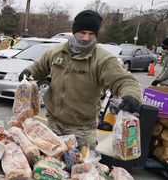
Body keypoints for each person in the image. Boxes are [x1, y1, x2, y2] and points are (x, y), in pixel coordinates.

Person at [18, 10, 142, 149]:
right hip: (52, 124)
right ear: (74, 31)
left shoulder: (103, 59)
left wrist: (132, 95)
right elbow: (40, 67)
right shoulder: (56, 52)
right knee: (48, 166)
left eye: (91, 34)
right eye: (82, 32)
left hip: (82, 130)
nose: (86, 38)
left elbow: (123, 81)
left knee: (82, 168)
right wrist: (29, 72)